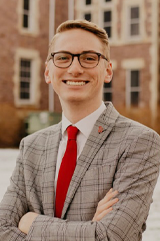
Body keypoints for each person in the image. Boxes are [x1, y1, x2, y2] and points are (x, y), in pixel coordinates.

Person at [0, 19, 160, 241]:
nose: (75, 69)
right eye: (63, 58)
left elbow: (112, 237)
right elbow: (2, 230)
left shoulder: (140, 142)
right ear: (48, 72)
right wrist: (89, 229)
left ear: (108, 71)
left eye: (89, 58)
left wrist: (32, 222)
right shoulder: (31, 146)